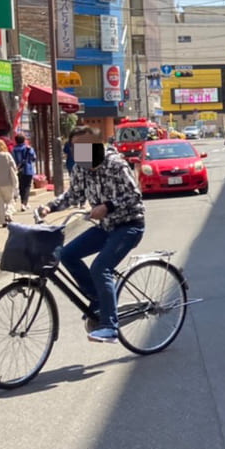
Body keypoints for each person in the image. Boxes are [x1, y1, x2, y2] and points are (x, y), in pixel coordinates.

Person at [36, 126, 146, 343]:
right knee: (66, 254)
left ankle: (109, 326)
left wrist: (108, 206)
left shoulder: (115, 164)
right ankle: (99, 298)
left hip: (129, 225)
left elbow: (135, 195)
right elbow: (73, 195)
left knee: (100, 267)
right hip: (105, 227)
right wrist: (49, 207)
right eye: (76, 147)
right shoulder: (80, 168)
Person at [12, 133, 36, 211]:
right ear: (24, 140)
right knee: (27, 186)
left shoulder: (14, 149)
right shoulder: (28, 148)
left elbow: (13, 159)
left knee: (21, 187)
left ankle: (23, 202)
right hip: (28, 169)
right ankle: (24, 203)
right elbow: (33, 158)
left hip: (18, 170)